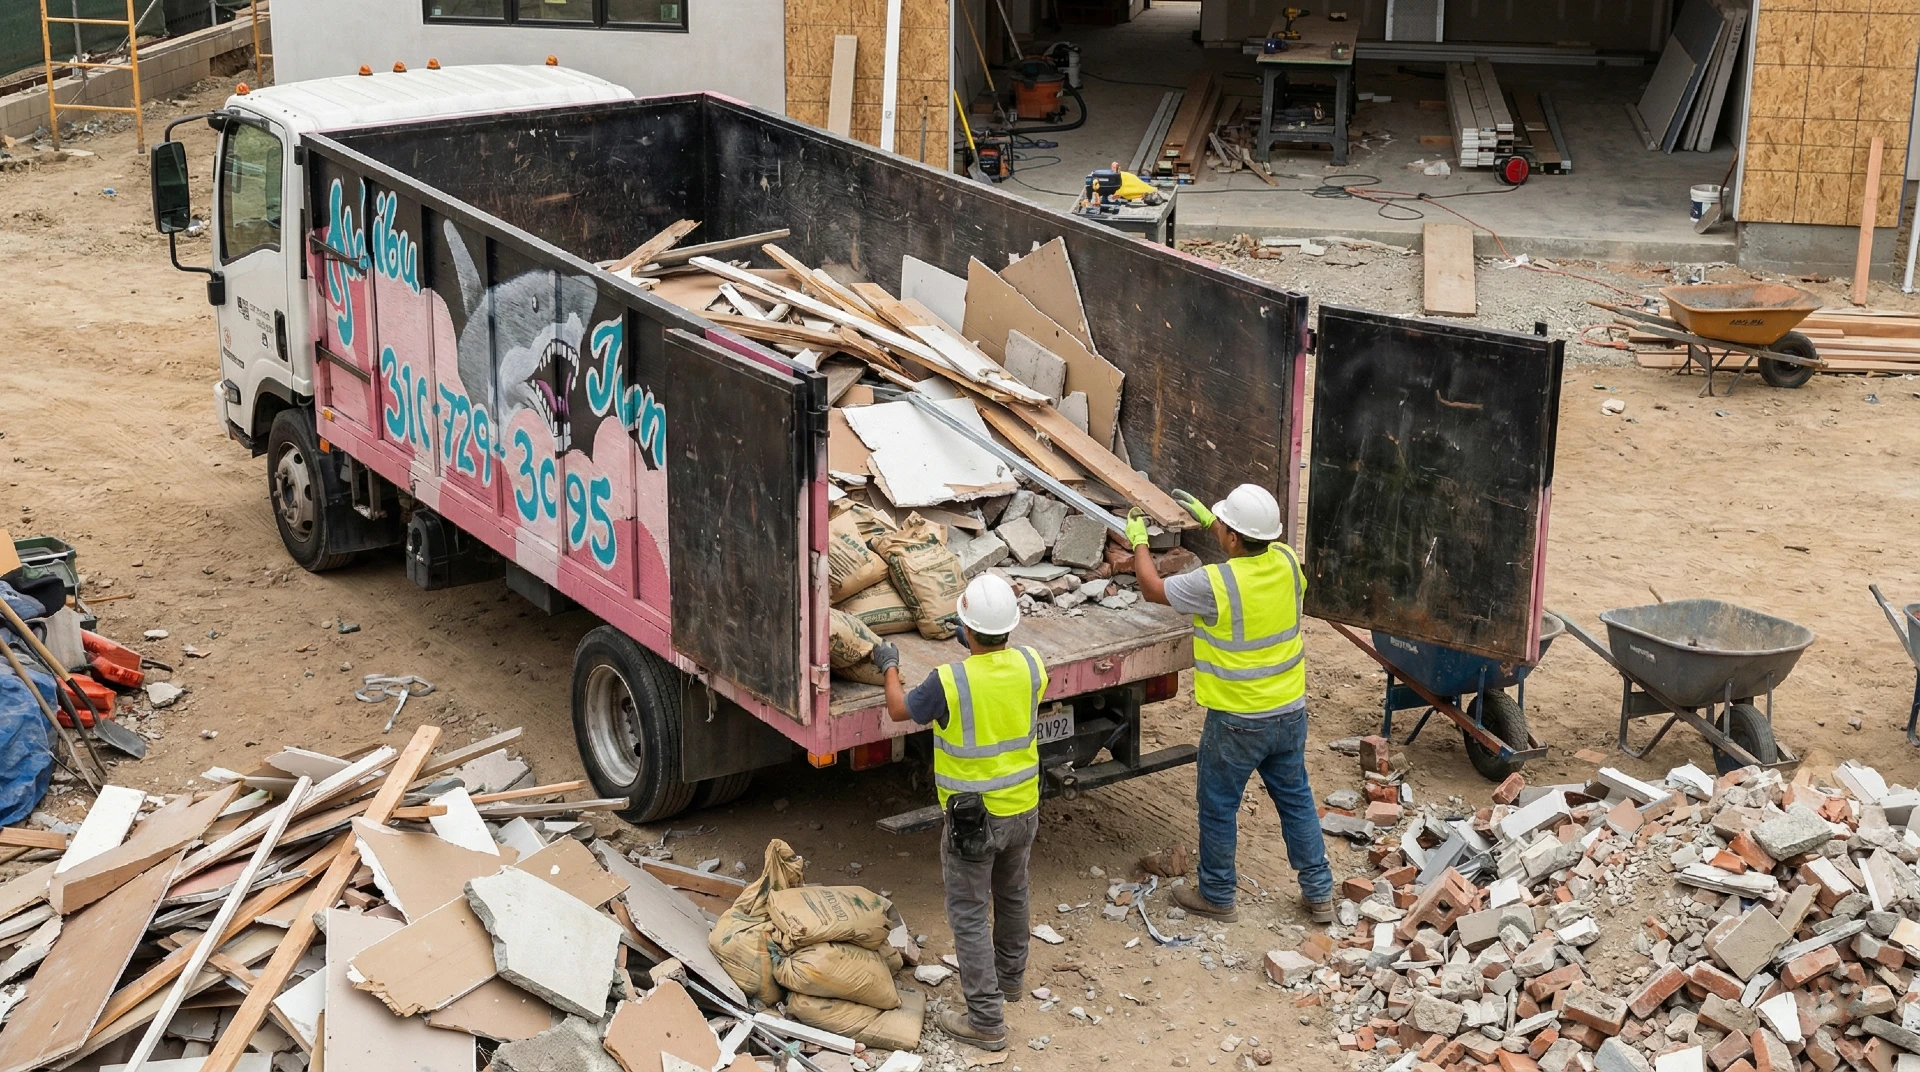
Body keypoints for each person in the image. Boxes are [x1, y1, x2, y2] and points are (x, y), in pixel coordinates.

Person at [1120, 484, 1334, 925]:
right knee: (1296, 800)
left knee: (1218, 804)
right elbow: (1248, 549)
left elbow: (1152, 588)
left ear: (1233, 539)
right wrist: (1207, 519)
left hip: (1237, 721)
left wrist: (1138, 540)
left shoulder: (1216, 583)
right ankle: (1320, 893)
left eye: (1223, 526)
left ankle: (1217, 894)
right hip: (1289, 712)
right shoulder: (1289, 564)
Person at [874, 574, 1045, 1052]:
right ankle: (1009, 982)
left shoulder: (949, 681)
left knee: (969, 912)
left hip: (973, 820)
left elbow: (898, 710)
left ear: (965, 631)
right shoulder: (1032, 665)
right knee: (1012, 894)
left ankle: (986, 1021)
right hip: (1023, 808)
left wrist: (890, 665)